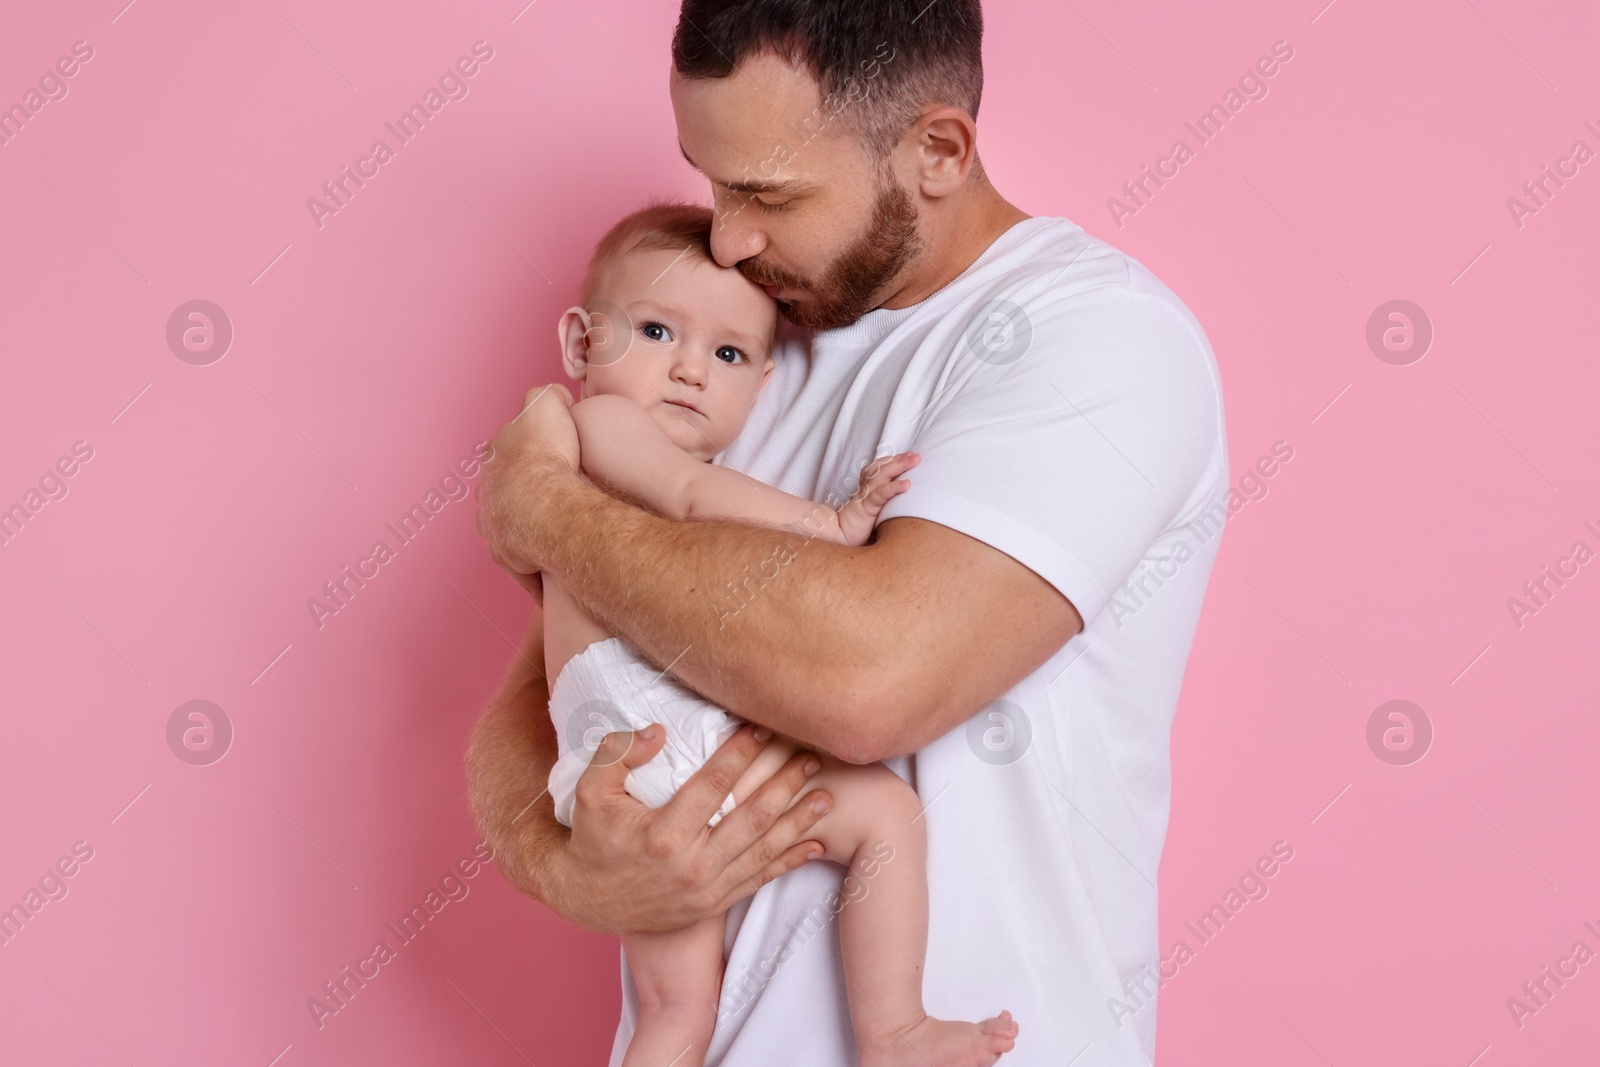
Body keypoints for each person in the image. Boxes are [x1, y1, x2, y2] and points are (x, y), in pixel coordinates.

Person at [469, 2, 1227, 1063]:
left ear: (935, 150)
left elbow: (871, 686)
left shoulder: (1095, 338)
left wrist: (545, 507)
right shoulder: (734, 343)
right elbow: (543, 695)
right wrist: (566, 865)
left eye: (766, 193)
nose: (725, 237)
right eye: (710, 180)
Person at [543, 200, 1017, 1067]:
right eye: (655, 331)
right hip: (656, 735)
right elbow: (688, 499)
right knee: (883, 812)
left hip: (632, 752)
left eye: (727, 354)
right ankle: (894, 1029)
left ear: (763, 385)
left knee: (676, 1013)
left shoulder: (650, 466)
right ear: (580, 345)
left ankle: (890, 1033)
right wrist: (830, 525)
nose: (690, 370)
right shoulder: (598, 428)